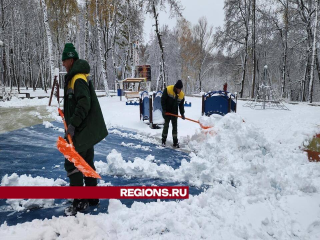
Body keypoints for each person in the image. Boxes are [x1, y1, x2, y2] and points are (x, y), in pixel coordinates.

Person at [62, 43, 108, 215]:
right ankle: (92, 197)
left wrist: (72, 124)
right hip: (85, 129)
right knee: (87, 162)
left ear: (71, 60)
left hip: (81, 130)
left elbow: (84, 104)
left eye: (64, 61)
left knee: (71, 162)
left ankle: (79, 200)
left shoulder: (77, 78)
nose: (63, 64)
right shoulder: (77, 77)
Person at [161, 80, 185, 148]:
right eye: (179, 89)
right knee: (166, 126)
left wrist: (182, 113)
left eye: (181, 89)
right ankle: (163, 140)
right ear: (176, 87)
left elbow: (181, 105)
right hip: (167, 111)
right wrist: (164, 109)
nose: (180, 90)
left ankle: (175, 142)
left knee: (175, 128)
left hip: (174, 112)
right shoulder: (168, 89)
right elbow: (163, 100)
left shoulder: (181, 95)